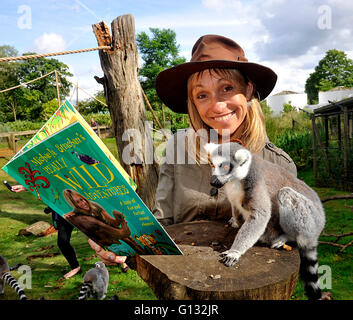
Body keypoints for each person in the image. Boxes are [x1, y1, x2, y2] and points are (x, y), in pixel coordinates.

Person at [89, 34, 297, 265]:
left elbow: (288, 242)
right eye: (202, 95)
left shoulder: (279, 165)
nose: (217, 106)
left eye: (227, 88)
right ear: (193, 103)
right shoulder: (177, 148)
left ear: (248, 90)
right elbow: (164, 221)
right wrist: (125, 244)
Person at [11, 185, 81, 279]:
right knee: (62, 242)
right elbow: (46, 182)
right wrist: (25, 186)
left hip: (77, 206)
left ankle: (106, 258)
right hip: (61, 210)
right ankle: (75, 267)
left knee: (96, 236)